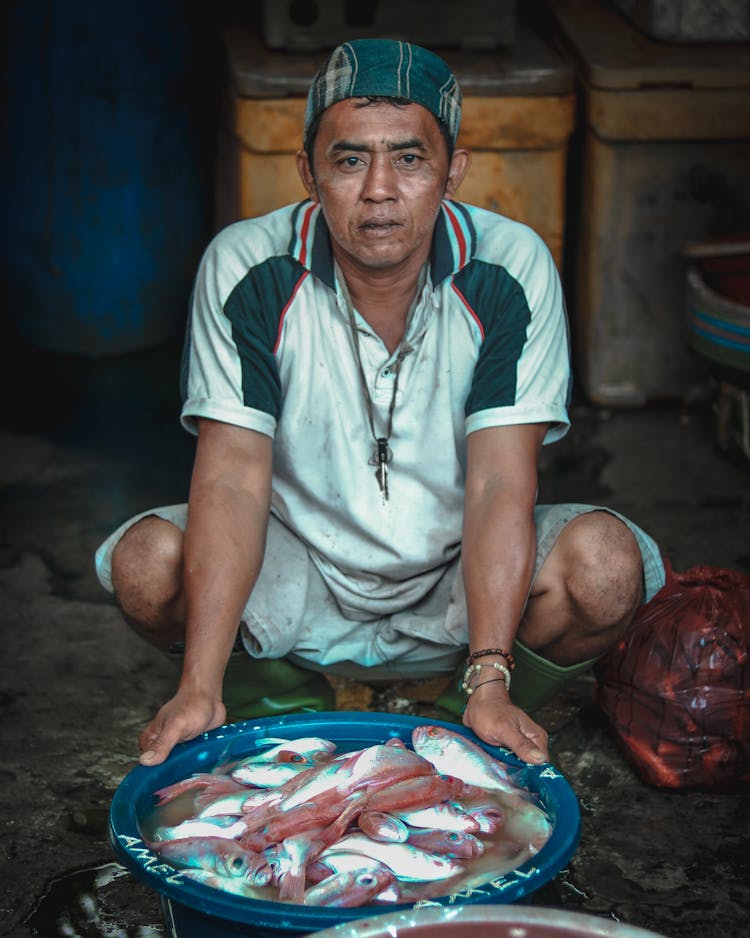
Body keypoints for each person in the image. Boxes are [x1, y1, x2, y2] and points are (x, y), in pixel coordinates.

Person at [95, 38, 664, 769]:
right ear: (309, 172)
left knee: (607, 569)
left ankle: (466, 719)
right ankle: (274, 704)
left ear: (452, 171)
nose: (380, 190)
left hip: (457, 578)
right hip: (296, 574)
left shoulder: (509, 266)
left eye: (410, 158)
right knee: (147, 564)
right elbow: (233, 474)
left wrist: (491, 671)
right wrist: (197, 683)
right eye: (350, 159)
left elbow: (499, 481)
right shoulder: (246, 266)